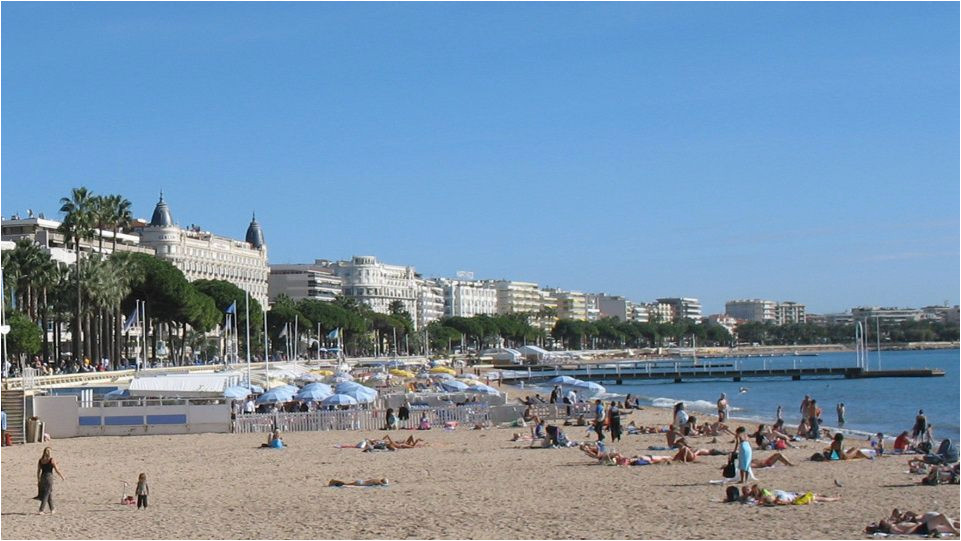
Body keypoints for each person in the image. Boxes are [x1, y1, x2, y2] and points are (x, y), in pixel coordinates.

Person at [36, 447, 65, 514]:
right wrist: (62, 476)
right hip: (49, 477)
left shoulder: (40, 460)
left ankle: (52, 509)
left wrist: (38, 479)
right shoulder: (51, 460)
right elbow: (57, 470)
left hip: (42, 477)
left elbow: (38, 471)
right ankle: (41, 509)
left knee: (49, 493)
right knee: (46, 493)